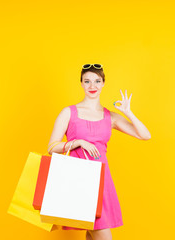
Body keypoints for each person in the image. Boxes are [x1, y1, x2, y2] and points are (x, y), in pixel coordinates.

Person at [47, 63, 151, 240]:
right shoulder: (68, 112)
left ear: (103, 83)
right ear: (81, 84)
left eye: (97, 81)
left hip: (102, 182)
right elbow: (51, 148)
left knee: (92, 232)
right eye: (87, 81)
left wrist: (128, 112)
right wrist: (77, 142)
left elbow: (145, 135)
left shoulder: (110, 116)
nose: (92, 86)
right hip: (78, 181)